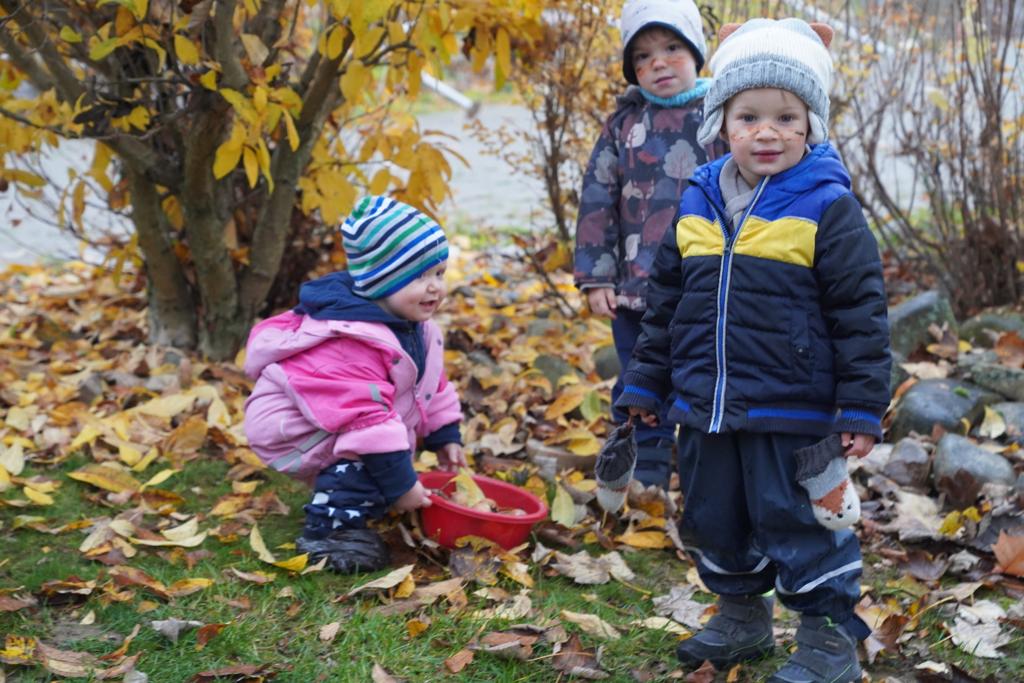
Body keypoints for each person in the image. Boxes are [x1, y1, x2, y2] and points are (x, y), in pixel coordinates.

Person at [615, 18, 891, 683]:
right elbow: (666, 306)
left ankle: (827, 640)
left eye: (786, 117)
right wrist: (646, 385)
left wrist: (859, 406)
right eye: (749, 116)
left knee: (799, 519)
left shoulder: (828, 204)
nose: (767, 131)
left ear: (810, 126)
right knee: (716, 514)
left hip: (794, 408)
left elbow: (861, 313)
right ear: (721, 122)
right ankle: (741, 613)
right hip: (705, 405)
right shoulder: (699, 199)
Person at [243, 196, 465, 574]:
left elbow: (431, 384)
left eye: (439, 273)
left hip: (346, 416)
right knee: (369, 455)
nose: (434, 288)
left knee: (384, 453)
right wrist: (402, 487)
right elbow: (365, 421)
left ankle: (360, 497)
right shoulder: (349, 342)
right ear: (382, 280)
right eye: (418, 277)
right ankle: (329, 532)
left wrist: (446, 434)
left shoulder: (417, 328)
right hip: (296, 426)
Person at [574, 0, 726, 489]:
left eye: (671, 47)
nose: (658, 62)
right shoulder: (623, 125)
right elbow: (598, 197)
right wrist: (597, 275)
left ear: (697, 53)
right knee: (642, 380)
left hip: (707, 286)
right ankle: (646, 471)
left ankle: (708, 468)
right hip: (637, 290)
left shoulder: (722, 116)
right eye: (642, 56)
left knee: (706, 375)